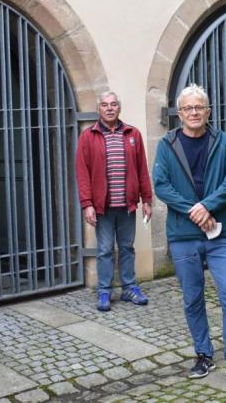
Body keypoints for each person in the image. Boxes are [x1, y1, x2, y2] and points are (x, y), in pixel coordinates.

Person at [153, 83, 226, 386]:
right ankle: (203, 354)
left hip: (219, 234)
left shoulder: (222, 142)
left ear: (208, 111)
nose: (194, 112)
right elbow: (161, 184)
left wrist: (207, 206)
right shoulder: (166, 144)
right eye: (188, 108)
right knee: (192, 299)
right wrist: (194, 209)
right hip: (184, 234)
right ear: (180, 113)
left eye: (199, 107)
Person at [75, 91, 153, 311]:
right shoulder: (88, 136)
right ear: (99, 108)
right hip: (103, 207)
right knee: (105, 250)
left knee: (127, 248)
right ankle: (104, 292)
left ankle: (129, 288)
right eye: (105, 105)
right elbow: (82, 172)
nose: (109, 108)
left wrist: (146, 199)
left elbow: (142, 170)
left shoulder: (132, 134)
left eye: (114, 104)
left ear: (119, 108)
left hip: (127, 205)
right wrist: (87, 203)